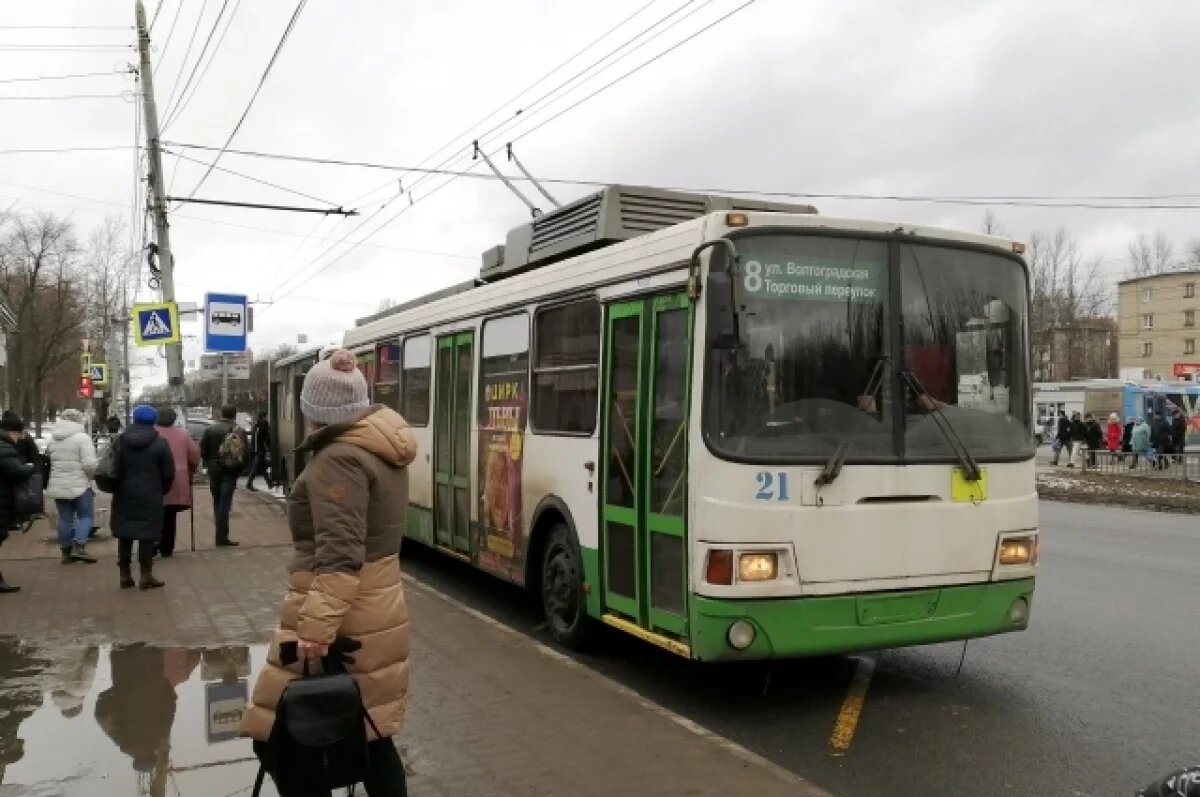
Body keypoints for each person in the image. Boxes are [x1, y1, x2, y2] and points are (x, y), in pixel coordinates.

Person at [242, 349, 417, 797]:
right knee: (369, 729)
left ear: (314, 409)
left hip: (342, 611)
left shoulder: (339, 459)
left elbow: (339, 555)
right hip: (377, 602)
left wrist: (316, 631)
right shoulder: (378, 449)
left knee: (281, 730)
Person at [111, 405, 174, 590]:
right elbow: (168, 473)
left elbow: (112, 467)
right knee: (147, 535)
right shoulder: (160, 443)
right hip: (150, 494)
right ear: (153, 421)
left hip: (124, 493)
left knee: (125, 534)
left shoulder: (120, 441)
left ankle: (124, 575)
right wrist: (161, 490)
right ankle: (145, 576)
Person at [45, 408, 98, 564]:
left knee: (65, 519)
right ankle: (79, 546)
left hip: (58, 485)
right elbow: (89, 464)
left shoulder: (53, 439)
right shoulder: (82, 438)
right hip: (80, 485)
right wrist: (92, 477)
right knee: (86, 516)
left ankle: (65, 552)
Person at [155, 408, 199, 558]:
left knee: (154, 512)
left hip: (154, 480)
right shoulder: (183, 435)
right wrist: (192, 469)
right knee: (170, 515)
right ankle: (167, 547)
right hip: (177, 479)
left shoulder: (151, 433)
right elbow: (194, 456)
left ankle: (153, 543)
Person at [200, 405, 247, 547]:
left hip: (214, 470)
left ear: (221, 413)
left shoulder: (210, 429)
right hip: (231, 471)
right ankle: (222, 537)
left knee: (217, 502)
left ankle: (220, 536)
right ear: (235, 415)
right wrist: (239, 469)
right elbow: (245, 453)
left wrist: (209, 463)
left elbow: (203, 450)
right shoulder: (240, 430)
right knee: (225, 504)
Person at [0, 419, 36, 594]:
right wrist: (29, 468)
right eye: (19, 434)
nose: (20, 438)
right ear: (11, 432)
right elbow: (17, 472)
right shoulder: (4, 447)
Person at [246, 410, 273, 492]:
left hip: (257, 449)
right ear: (264, 417)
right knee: (257, 466)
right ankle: (248, 483)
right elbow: (266, 436)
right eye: (266, 416)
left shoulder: (257, 424)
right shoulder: (263, 424)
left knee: (262, 467)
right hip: (260, 449)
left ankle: (269, 483)